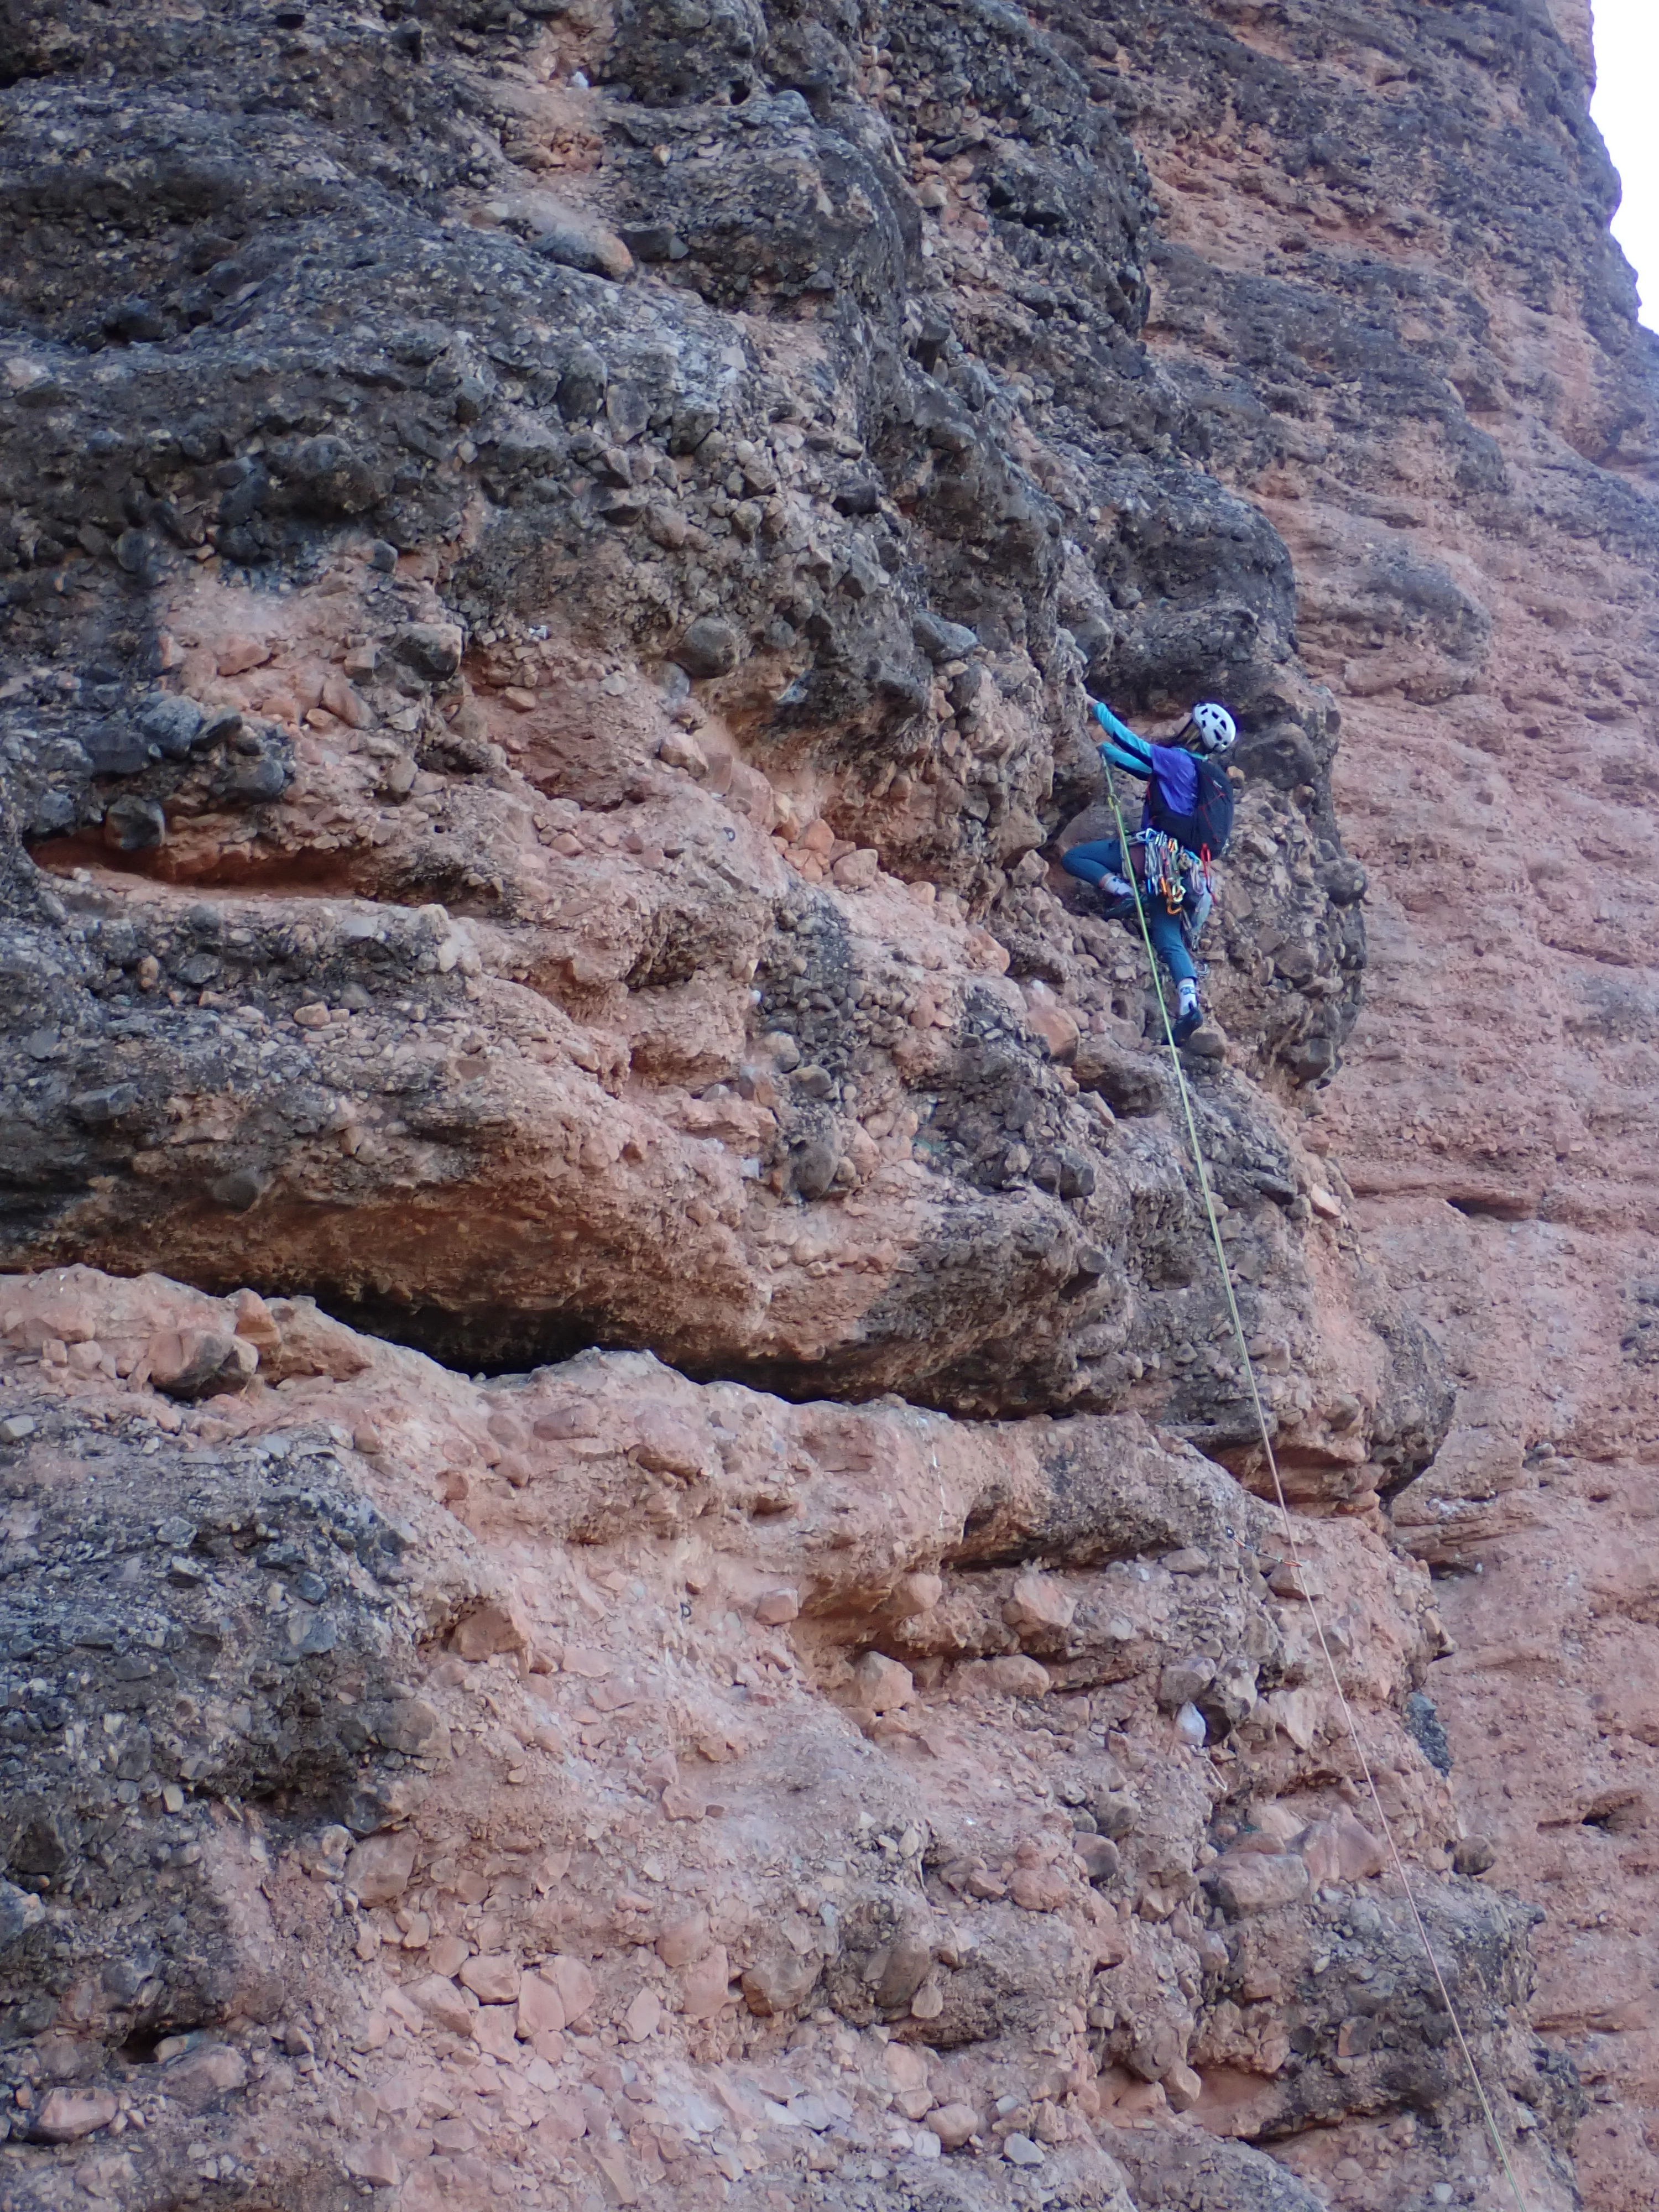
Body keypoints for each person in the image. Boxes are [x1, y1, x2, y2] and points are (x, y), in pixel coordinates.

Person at [1062, 698, 1237, 1045]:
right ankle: (1189, 1003)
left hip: (1155, 857)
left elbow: (1131, 742)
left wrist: (1094, 706)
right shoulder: (1196, 774)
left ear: (1194, 732)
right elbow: (1142, 767)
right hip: (1187, 875)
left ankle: (1127, 893)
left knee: (1076, 859)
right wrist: (1110, 757)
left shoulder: (1176, 760)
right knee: (1169, 938)